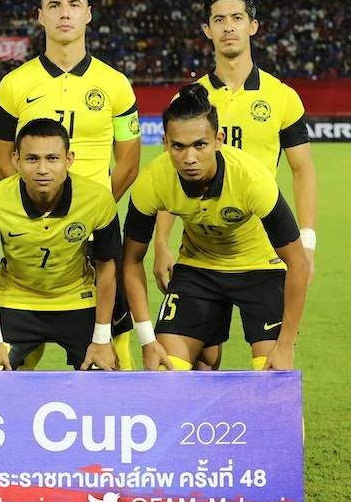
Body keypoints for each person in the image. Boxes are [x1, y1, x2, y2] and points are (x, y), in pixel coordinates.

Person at [152, 0, 318, 370]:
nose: (228, 27)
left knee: (272, 374)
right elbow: (170, 175)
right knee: (169, 371)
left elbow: (302, 169)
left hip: (264, 257)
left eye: (237, 18)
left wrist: (305, 244)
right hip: (199, 257)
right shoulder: (189, 100)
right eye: (219, 19)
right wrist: (162, 240)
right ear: (207, 30)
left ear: (253, 26)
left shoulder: (282, 96)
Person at [0, 0, 140, 370]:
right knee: (21, 346)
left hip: (96, 226)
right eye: (54, 5)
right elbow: (2, 161)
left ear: (89, 14)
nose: (64, 13)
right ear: (40, 16)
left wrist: (92, 211)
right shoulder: (13, 85)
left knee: (111, 344)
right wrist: (36, 211)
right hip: (34, 232)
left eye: (74, 5)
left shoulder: (117, 85)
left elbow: (129, 162)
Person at [122, 84, 310, 371]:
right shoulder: (153, 181)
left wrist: (285, 346)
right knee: (165, 372)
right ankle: (204, 355)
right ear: (165, 143)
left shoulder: (251, 180)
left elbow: (298, 263)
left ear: (219, 139)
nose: (189, 159)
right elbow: (131, 260)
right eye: (178, 146)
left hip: (261, 269)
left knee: (273, 375)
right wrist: (148, 341)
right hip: (198, 268)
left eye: (200, 144)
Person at [0, 118, 120, 371]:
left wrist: (102, 338)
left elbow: (106, 268)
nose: (42, 169)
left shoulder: (98, 200)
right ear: (16, 160)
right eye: (32, 159)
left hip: (77, 299)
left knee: (102, 379)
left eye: (52, 158)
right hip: (15, 300)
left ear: (69, 159)